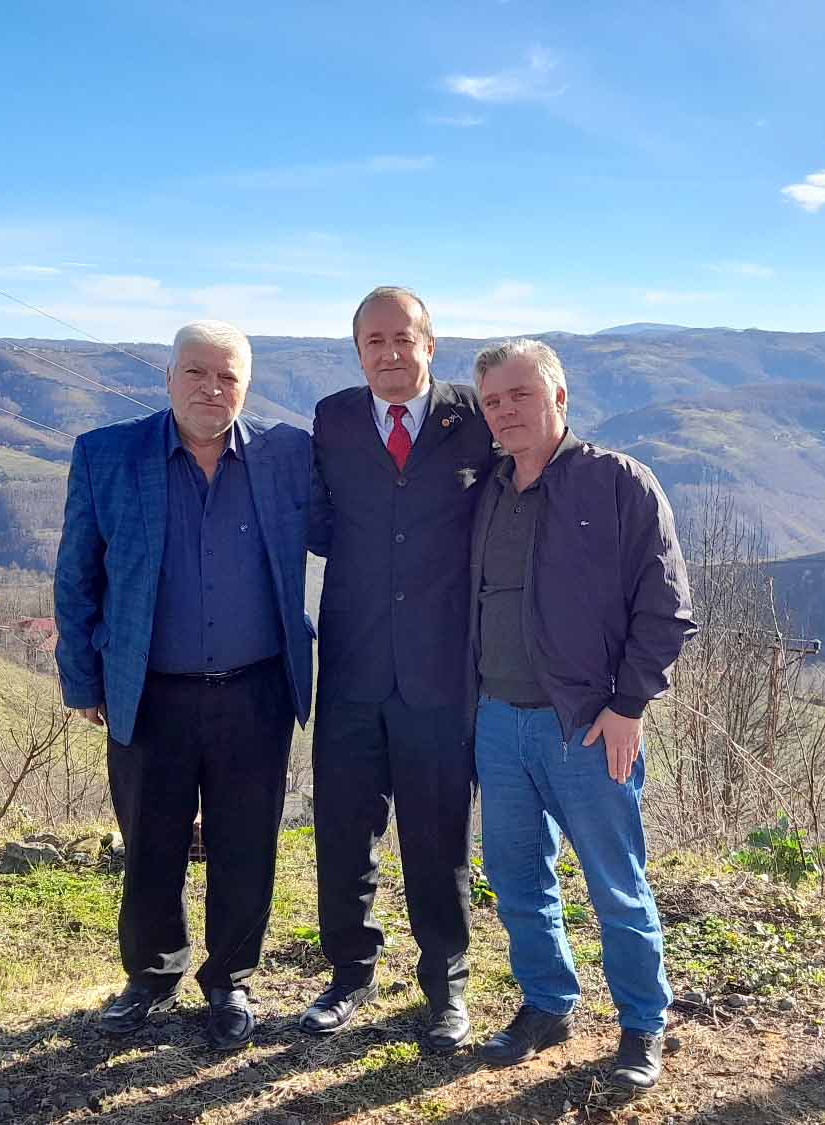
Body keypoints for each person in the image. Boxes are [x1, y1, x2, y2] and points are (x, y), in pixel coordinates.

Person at [53, 320, 313, 1051]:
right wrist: (83, 680)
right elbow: (76, 575)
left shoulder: (286, 455)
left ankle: (230, 979)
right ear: (168, 378)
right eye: (195, 372)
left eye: (227, 376)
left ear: (247, 387)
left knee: (246, 845)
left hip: (256, 691)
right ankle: (151, 973)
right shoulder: (107, 455)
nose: (211, 388)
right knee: (150, 841)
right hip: (149, 690)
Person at [466, 338, 696, 1090]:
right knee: (515, 874)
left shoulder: (619, 482)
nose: (505, 411)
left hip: (587, 725)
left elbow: (665, 609)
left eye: (520, 395)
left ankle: (641, 1023)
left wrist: (628, 705)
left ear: (559, 397)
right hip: (496, 719)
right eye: (492, 401)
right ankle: (547, 1004)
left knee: (614, 882)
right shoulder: (488, 488)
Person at [301, 286, 496, 1053]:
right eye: (373, 340)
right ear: (357, 351)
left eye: (402, 337)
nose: (389, 352)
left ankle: (446, 988)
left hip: (440, 672)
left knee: (438, 836)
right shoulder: (333, 418)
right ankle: (349, 973)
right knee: (343, 830)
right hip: (351, 663)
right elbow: (318, 520)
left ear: (429, 343)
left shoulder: (474, 416)